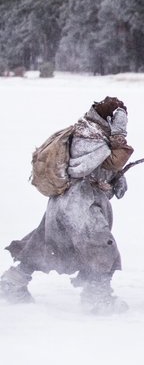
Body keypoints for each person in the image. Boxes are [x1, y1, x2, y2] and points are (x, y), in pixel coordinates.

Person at [0, 97, 134, 314]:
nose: (123, 124)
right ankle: (97, 298)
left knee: (45, 244)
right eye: (120, 119)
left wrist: (115, 179)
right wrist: (119, 139)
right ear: (109, 118)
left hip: (70, 204)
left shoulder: (98, 135)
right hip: (77, 205)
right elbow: (86, 166)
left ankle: (12, 283)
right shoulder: (86, 134)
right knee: (101, 248)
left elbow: (103, 165)